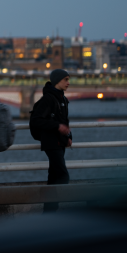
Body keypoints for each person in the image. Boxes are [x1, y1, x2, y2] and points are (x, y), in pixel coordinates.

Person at [30, 69, 73, 212]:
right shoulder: (48, 99)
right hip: (51, 143)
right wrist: (57, 127)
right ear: (57, 81)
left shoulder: (62, 99)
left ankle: (49, 212)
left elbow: (64, 122)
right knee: (63, 175)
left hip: (60, 142)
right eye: (65, 79)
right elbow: (36, 120)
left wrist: (69, 137)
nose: (68, 82)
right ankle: (64, 209)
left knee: (54, 179)